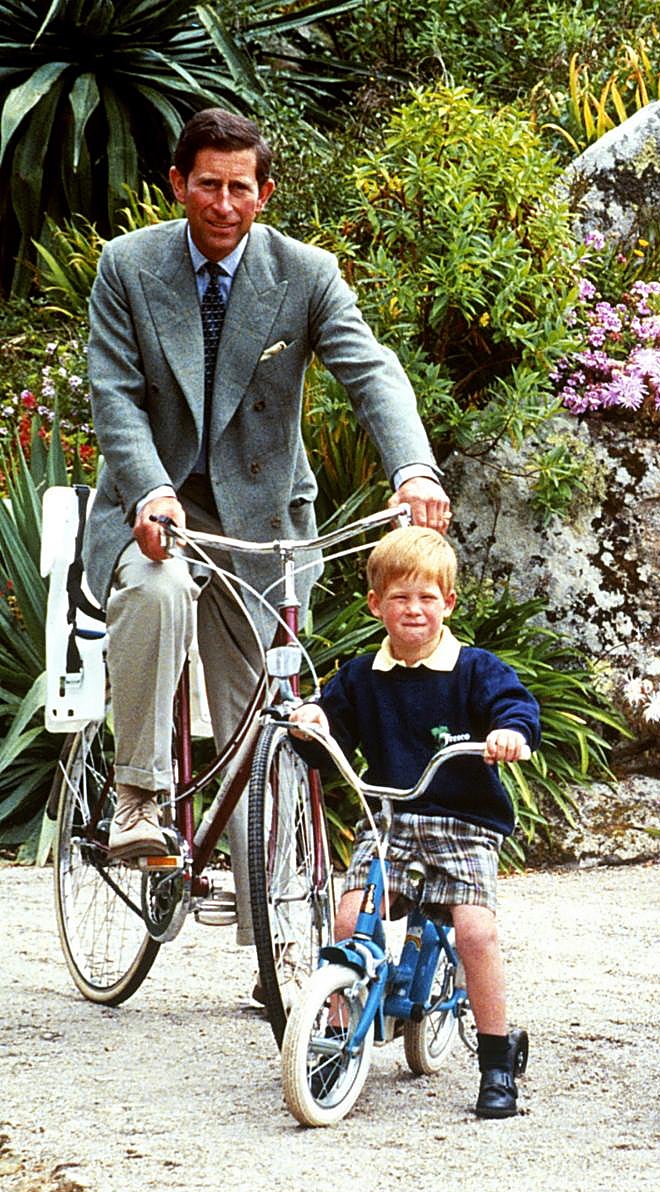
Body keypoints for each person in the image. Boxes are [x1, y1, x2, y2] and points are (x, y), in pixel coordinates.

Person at [83, 108, 451, 957]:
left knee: (266, 715)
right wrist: (149, 494)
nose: (222, 202)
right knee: (159, 586)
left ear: (264, 192)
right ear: (178, 185)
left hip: (262, 521)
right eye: (206, 184)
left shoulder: (306, 274)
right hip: (158, 508)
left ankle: (271, 929)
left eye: (238, 187)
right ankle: (138, 794)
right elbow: (116, 398)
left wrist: (414, 469)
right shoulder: (129, 268)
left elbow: (372, 371)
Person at [288, 526, 540, 1118]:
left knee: (475, 932)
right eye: (400, 597)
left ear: (448, 603)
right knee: (351, 918)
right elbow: (333, 728)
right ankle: (334, 1036)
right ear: (376, 605)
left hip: (463, 822)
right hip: (391, 818)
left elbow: (515, 704)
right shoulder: (361, 676)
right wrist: (312, 722)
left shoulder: (475, 670)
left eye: (428, 597)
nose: (414, 610)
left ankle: (497, 1058)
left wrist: (509, 733)